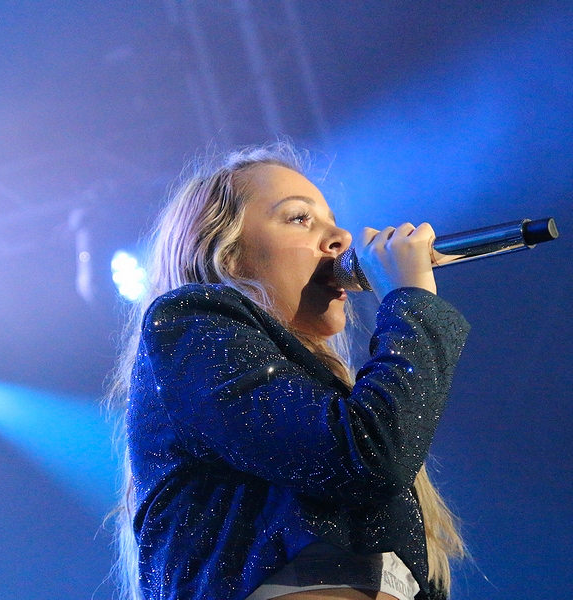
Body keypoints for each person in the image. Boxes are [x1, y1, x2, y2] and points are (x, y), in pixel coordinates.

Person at [107, 143, 469, 600]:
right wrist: (412, 302)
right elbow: (368, 455)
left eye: (332, 220)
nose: (341, 237)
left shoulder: (331, 397)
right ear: (228, 254)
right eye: (300, 218)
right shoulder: (188, 321)